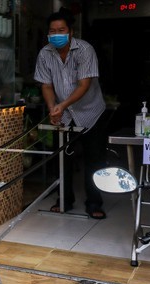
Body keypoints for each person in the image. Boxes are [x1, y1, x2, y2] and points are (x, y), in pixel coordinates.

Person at [34, 8, 109, 219]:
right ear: (48, 33)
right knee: (62, 159)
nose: (56, 34)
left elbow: (84, 85)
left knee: (94, 159)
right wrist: (52, 108)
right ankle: (64, 200)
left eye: (61, 30)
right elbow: (46, 85)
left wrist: (63, 105)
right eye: (52, 30)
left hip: (91, 112)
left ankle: (94, 203)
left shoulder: (85, 50)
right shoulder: (45, 54)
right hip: (63, 114)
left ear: (71, 31)